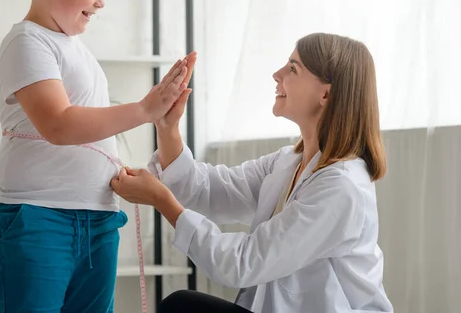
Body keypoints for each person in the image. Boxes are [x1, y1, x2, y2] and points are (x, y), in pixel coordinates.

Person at [0, 0, 195, 313]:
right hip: (38, 218)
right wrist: (144, 110)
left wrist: (160, 115)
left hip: (97, 219)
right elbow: (59, 124)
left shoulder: (76, 48)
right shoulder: (27, 41)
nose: (101, 1)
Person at [111, 33, 394, 313]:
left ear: (326, 94)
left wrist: (162, 200)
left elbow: (242, 264)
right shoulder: (288, 162)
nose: (277, 74)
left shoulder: (342, 187)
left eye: (293, 68)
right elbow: (210, 190)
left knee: (182, 307)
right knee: (182, 305)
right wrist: (167, 127)